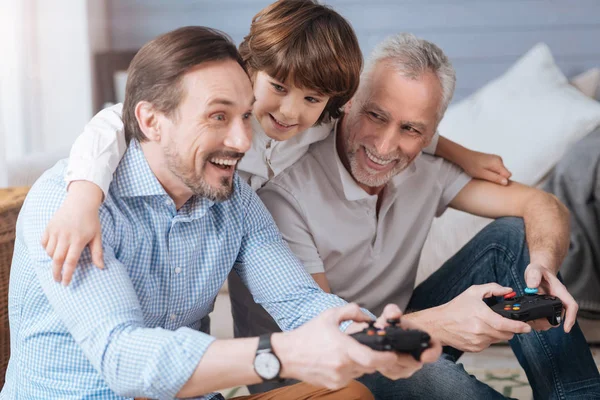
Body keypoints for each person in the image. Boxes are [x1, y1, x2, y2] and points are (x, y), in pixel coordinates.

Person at [1, 27, 443, 399]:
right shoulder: (72, 206)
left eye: (245, 117)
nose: (242, 141)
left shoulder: (236, 202)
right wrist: (285, 354)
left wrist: (368, 337)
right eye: (217, 117)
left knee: (349, 394)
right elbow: (122, 357)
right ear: (151, 121)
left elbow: (300, 301)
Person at [42, 0, 511, 287]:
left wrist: (460, 153)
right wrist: (84, 195)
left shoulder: (323, 124)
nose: (290, 113)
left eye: (311, 98)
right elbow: (111, 123)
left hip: (241, 238)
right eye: (279, 89)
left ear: (333, 103)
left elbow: (392, 132)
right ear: (250, 69)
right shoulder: (216, 115)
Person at [241, 33, 600, 398]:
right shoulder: (285, 196)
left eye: (411, 129)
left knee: (510, 236)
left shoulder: (424, 168)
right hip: (321, 371)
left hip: (398, 329)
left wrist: (543, 265)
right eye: (375, 115)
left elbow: (542, 204)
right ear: (349, 103)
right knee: (426, 375)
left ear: (431, 132)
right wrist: (441, 325)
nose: (384, 146)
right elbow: (328, 338)